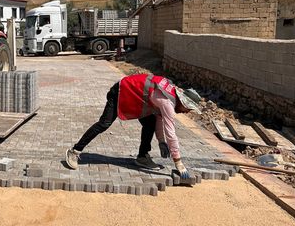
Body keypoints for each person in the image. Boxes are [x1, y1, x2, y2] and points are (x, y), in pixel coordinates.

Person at [65, 73, 200, 179]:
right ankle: (75, 151)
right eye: (188, 108)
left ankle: (142, 157)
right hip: (120, 92)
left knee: (150, 123)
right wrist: (178, 162)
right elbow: (171, 131)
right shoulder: (168, 103)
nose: (187, 112)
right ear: (184, 102)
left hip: (136, 96)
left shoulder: (170, 94)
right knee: (104, 124)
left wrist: (161, 142)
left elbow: (159, 118)